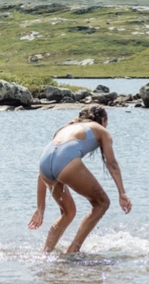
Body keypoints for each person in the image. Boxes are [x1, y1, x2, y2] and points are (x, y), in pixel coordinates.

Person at [28, 105, 131, 254]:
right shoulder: (101, 130)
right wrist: (122, 193)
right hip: (65, 162)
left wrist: (40, 208)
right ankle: (73, 250)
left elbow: (46, 168)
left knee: (68, 212)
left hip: (43, 164)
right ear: (103, 119)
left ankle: (45, 254)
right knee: (102, 203)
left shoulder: (64, 128)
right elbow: (112, 164)